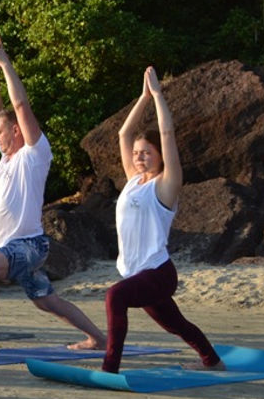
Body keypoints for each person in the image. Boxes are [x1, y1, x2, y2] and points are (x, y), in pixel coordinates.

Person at [0, 35, 105, 361]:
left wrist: (7, 64)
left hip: (27, 245)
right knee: (45, 300)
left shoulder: (34, 154)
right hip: (18, 247)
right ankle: (98, 338)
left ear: (17, 131)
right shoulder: (6, 156)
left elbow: (19, 106)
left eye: (1, 132)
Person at [103, 67, 223, 373]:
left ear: (160, 156)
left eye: (147, 152)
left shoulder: (166, 186)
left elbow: (167, 134)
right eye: (137, 153)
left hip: (158, 271)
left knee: (115, 296)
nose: (139, 157)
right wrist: (142, 98)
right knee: (176, 324)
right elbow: (123, 134)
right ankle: (212, 360)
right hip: (138, 272)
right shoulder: (133, 181)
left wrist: (158, 95)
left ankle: (110, 367)